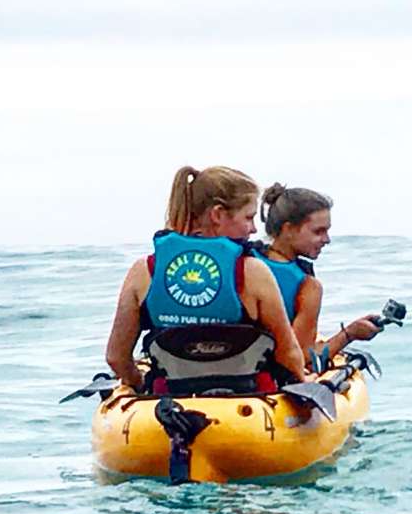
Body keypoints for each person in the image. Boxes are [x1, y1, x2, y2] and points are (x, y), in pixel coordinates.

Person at [105, 166, 306, 391]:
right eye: (248, 217)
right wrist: (306, 382)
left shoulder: (144, 271)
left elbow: (116, 357)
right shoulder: (253, 272)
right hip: (248, 402)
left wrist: (137, 384)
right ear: (218, 215)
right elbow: (288, 353)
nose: (253, 229)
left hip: (168, 402)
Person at [254, 183, 382, 365]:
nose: (327, 239)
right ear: (288, 229)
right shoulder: (308, 286)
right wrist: (349, 334)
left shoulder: (243, 258)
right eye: (318, 231)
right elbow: (303, 357)